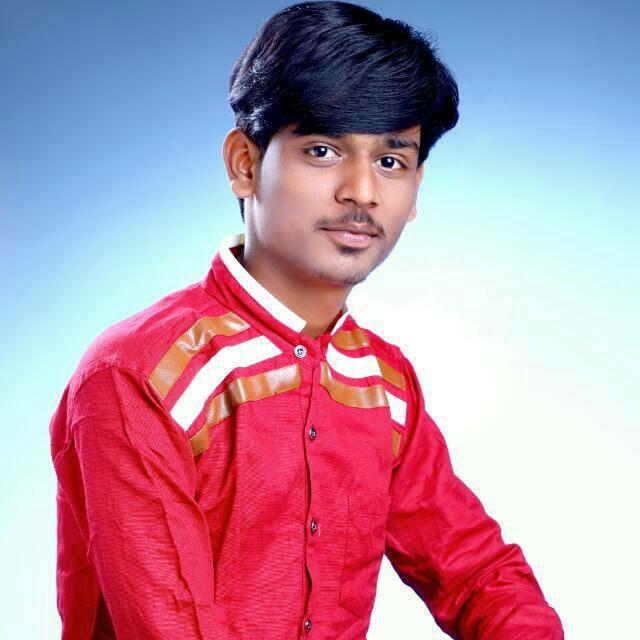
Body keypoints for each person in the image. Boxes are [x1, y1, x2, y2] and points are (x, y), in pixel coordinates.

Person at [49, 2, 564, 638]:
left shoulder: (382, 382)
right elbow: (173, 625)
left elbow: (478, 575)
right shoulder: (140, 375)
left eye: (391, 161)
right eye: (323, 150)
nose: (362, 191)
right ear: (244, 164)